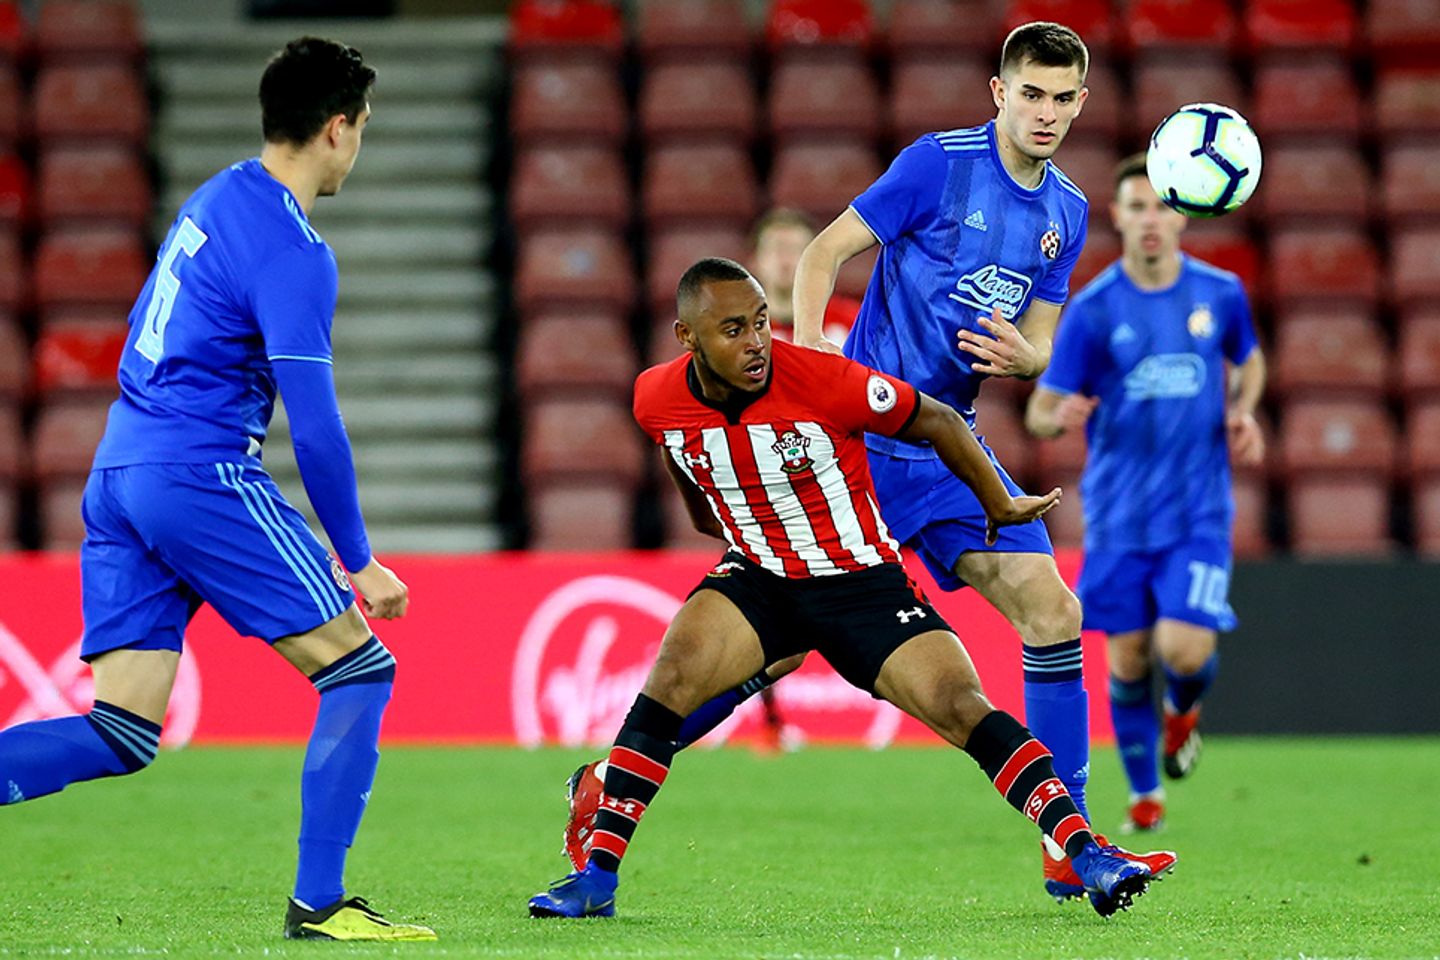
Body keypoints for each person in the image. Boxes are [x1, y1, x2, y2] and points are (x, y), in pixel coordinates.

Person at [529, 257, 1164, 921]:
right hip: (762, 577)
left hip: (861, 584)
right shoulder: (654, 397)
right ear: (688, 339)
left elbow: (940, 421)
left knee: (962, 707)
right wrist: (722, 527)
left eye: (761, 324)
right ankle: (597, 878)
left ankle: (1086, 853)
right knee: (668, 686)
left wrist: (998, 505)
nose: (756, 343)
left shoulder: (822, 380)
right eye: (734, 330)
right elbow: (682, 458)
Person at [0, 38, 435, 942]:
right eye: (363, 129)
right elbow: (314, 428)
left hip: (118, 470)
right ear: (337, 129)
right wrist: (360, 558)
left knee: (122, 730)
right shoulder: (292, 247)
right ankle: (320, 902)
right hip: (194, 470)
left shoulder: (217, 194)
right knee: (360, 668)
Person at [786, 21, 1172, 900]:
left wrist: (1032, 357)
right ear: (999, 92)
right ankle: (613, 783)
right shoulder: (938, 164)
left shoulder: (1068, 212)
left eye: (1062, 97)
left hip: (945, 445)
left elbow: (1041, 335)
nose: (1045, 112)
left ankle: (1069, 840)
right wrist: (813, 369)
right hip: (861, 441)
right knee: (765, 653)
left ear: (1082, 103)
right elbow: (823, 252)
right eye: (1029, 93)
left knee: (1053, 611)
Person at [1024, 153, 1265, 833]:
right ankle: (1144, 795)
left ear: (1182, 212)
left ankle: (1183, 708)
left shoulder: (1220, 293)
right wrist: (1055, 416)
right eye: (1136, 207)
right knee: (1128, 657)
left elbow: (1250, 360)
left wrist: (1244, 407)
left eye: (1161, 206)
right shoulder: (1095, 310)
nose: (1150, 219)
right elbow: (1042, 407)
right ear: (1119, 218)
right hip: (1120, 517)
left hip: (1199, 512)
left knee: (1183, 651)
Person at [751, 207, 860, 347]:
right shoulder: (740, 328)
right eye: (776, 248)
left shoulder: (852, 320)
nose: (785, 260)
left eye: (796, 249)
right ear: (755, 259)